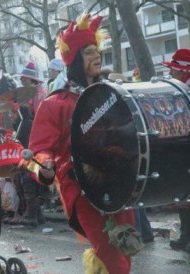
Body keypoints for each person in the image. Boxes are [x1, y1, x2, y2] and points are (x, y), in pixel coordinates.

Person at [26, 13, 138, 274]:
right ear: (75, 60)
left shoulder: (112, 95)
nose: (96, 56)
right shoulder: (54, 104)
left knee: (124, 251)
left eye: (96, 51)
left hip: (120, 185)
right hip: (82, 189)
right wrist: (45, 166)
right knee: (114, 260)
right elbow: (37, 152)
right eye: (88, 53)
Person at [162, 48, 190, 253]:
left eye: (173, 69)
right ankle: (186, 236)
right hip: (184, 147)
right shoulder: (179, 89)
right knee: (184, 194)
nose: (170, 73)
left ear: (184, 70)